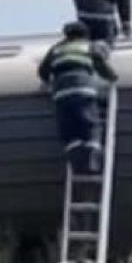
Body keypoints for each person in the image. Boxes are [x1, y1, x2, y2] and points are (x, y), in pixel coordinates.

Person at [37, 20, 119, 176]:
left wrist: (47, 82)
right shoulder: (88, 46)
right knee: (90, 125)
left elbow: (43, 71)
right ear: (84, 34)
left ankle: (77, 163)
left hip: (61, 93)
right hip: (83, 89)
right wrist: (112, 77)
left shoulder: (56, 49)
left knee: (70, 130)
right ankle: (93, 162)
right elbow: (99, 63)